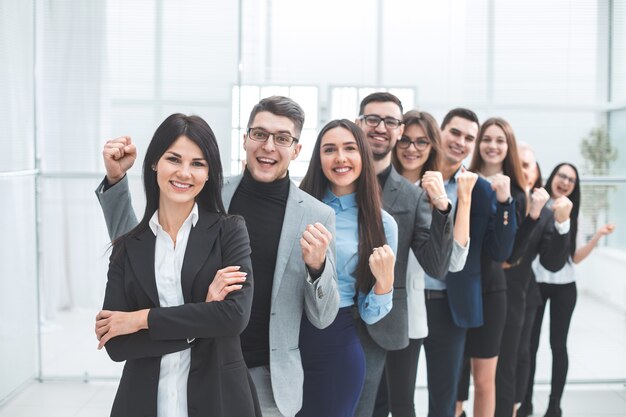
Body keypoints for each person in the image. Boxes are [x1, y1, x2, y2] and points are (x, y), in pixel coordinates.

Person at [95, 96, 340, 417]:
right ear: (245, 139)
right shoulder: (206, 191)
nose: (269, 146)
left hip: (269, 378)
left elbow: (324, 317)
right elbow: (139, 249)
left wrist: (317, 267)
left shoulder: (316, 215)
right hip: (197, 360)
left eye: (282, 138)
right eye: (260, 134)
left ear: (296, 149)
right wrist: (116, 182)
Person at [94, 113, 261, 417]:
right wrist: (202, 318)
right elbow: (116, 344)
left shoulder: (230, 230)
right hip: (144, 401)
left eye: (198, 163)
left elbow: (234, 317)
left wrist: (140, 319)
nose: (185, 172)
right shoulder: (129, 246)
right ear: (155, 162)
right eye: (174, 159)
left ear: (209, 173)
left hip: (220, 398)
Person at [353, 93, 455, 417]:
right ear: (359, 124)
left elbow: (436, 265)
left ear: (396, 130)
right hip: (335, 316)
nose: (381, 128)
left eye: (390, 121)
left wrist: (442, 208)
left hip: (391, 319)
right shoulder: (338, 179)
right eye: (373, 119)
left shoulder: (413, 196)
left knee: (392, 404)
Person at [375, 110, 474, 417]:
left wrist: (447, 203)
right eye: (405, 140)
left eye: (422, 142)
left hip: (424, 306)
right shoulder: (375, 186)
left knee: (414, 400)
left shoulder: (438, 192)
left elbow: (454, 263)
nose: (412, 148)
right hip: (379, 305)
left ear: (433, 146)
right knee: (378, 399)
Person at [296, 119, 398, 417]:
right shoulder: (297, 209)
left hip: (338, 345)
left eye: (349, 148)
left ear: (363, 156)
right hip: (285, 343)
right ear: (319, 159)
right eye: (330, 149)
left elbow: (370, 313)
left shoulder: (382, 225)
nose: (340, 157)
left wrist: (384, 283)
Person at [422, 108, 517, 417]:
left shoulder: (481, 189)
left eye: (468, 138)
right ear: (440, 133)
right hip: (405, 299)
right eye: (455, 133)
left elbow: (500, 250)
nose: (460, 142)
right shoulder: (414, 176)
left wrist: (505, 204)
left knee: (444, 397)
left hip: (451, 302)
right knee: (393, 390)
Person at [454, 118, 549, 417]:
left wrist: (515, 205)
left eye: (500, 141)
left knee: (485, 381)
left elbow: (509, 255)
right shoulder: (459, 179)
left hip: (493, 291)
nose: (492, 146)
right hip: (455, 289)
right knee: (454, 381)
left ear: (507, 147)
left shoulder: (516, 195)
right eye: (487, 139)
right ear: (478, 143)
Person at [525, 163, 616, 417]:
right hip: (536, 284)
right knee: (528, 346)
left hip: (564, 287)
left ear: (575, 187)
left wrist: (597, 236)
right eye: (561, 176)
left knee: (558, 345)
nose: (565, 182)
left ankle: (555, 405)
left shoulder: (576, 215)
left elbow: (574, 258)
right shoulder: (537, 205)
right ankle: (525, 402)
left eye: (571, 180)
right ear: (552, 177)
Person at [492, 144, 573, 417]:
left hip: (521, 297)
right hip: (484, 292)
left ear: (536, 172)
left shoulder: (546, 212)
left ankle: (514, 410)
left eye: (528, 165)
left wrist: (563, 224)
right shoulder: (496, 200)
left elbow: (552, 262)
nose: (522, 170)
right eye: (518, 164)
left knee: (519, 358)